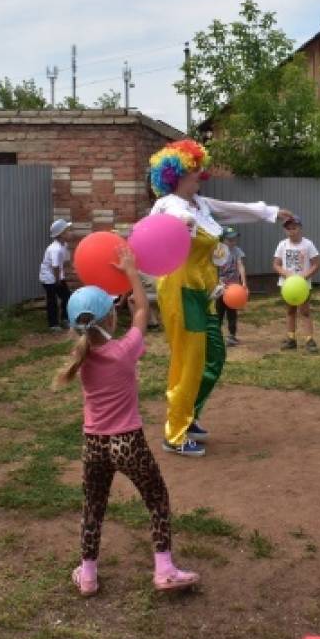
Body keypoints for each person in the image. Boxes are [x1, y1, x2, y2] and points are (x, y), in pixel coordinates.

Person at [53, 247, 199, 597]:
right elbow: (144, 310)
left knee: (93, 507)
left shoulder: (81, 356)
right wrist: (131, 272)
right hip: (128, 441)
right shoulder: (125, 349)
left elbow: (124, 321)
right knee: (157, 499)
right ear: (110, 319)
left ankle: (87, 576)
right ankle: (164, 569)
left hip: (94, 444)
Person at [148, 139, 292, 457]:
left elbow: (234, 210)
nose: (201, 173)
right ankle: (175, 434)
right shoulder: (169, 205)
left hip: (203, 290)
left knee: (214, 356)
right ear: (176, 174)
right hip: (179, 289)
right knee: (189, 361)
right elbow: (163, 224)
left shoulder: (200, 204)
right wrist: (180, 225)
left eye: (199, 167)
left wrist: (271, 213)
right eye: (192, 169)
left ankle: (189, 414)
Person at [272, 216, 320, 353]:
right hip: (287, 286)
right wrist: (285, 273)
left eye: (294, 228)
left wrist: (304, 276)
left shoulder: (308, 244)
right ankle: (291, 339)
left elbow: (316, 264)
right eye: (288, 229)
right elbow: (276, 264)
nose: (292, 231)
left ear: (300, 228)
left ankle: (309, 340)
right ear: (285, 230)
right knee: (290, 311)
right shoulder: (282, 245)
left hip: (302, 286)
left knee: (305, 312)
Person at [214, 227, 247, 346]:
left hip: (234, 288)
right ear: (223, 240)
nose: (233, 242)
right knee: (219, 311)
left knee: (232, 312)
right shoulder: (218, 251)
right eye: (230, 239)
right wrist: (218, 281)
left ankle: (232, 336)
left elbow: (240, 265)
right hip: (220, 288)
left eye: (235, 239)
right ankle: (216, 336)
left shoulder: (237, 251)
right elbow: (214, 269)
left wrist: (243, 282)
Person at [40, 219, 74, 332]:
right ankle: (53, 324)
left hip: (57, 276)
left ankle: (65, 319)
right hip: (49, 278)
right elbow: (55, 266)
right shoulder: (56, 249)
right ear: (61, 234)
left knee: (67, 297)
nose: (71, 233)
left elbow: (63, 262)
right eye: (68, 231)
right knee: (52, 301)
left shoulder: (64, 245)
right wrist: (58, 280)